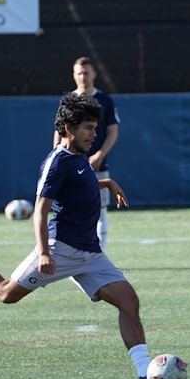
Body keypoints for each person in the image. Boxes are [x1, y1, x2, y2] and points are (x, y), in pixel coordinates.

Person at [0, 93, 152, 379]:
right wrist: (44, 253)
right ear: (68, 129)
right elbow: (40, 210)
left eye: (94, 127)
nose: (94, 134)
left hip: (90, 253)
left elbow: (81, 184)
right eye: (88, 128)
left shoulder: (79, 158)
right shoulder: (56, 162)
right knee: (6, 293)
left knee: (129, 302)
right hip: (59, 248)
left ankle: (146, 375)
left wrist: (107, 182)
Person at [52, 56, 119, 249]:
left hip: (96, 164)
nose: (83, 77)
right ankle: (69, 251)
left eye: (87, 73)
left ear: (94, 74)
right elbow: (59, 130)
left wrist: (99, 155)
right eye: (79, 73)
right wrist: (57, 154)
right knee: (69, 207)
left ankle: (99, 252)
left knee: (100, 209)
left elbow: (113, 130)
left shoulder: (105, 100)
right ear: (74, 75)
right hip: (70, 165)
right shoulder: (68, 101)